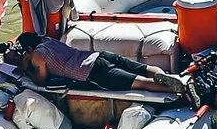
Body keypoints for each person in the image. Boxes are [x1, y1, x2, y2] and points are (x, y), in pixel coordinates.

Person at [11, 33, 194, 102]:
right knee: (144, 69)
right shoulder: (48, 41)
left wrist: (26, 68)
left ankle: (180, 88)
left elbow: (41, 80)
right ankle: (168, 77)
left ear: (28, 49)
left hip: (92, 72)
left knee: (141, 83)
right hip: (100, 56)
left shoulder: (37, 55)